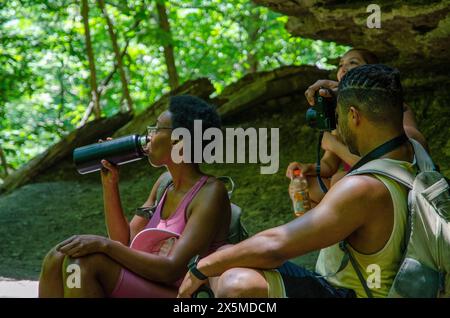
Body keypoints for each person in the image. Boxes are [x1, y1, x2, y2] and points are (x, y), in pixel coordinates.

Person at [178, 64, 416, 298]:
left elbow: (275, 245)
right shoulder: (415, 155)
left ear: (353, 115)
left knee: (235, 282)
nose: (337, 125)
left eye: (340, 114)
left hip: (348, 292)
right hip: (374, 284)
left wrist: (200, 268)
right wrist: (345, 91)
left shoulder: (363, 188)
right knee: (228, 254)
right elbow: (394, 103)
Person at [39, 95, 231, 298]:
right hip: (148, 280)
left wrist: (103, 245)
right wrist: (110, 184)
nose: (149, 136)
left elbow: (171, 269)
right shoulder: (165, 183)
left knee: (81, 264)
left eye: (157, 129)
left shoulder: (210, 193)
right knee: (58, 257)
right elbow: (123, 241)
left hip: (181, 292)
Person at [286, 48, 427, 206]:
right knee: (307, 185)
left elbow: (393, 158)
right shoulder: (341, 115)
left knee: (340, 179)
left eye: (353, 63)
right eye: (340, 65)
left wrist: (334, 145)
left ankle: (333, 224)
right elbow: (329, 165)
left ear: (371, 72)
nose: (343, 68)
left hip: (390, 185)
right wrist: (307, 169)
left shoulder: (392, 110)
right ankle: (323, 225)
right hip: (354, 186)